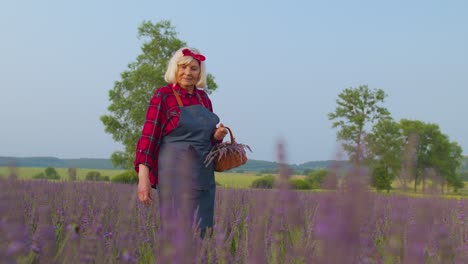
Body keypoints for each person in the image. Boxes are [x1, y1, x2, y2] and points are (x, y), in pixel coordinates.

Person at [134, 47, 227, 238]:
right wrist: (143, 177)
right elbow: (149, 137)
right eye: (183, 67)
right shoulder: (163, 95)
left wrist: (217, 136)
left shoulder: (203, 98)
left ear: (200, 72)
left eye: (193, 68)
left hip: (203, 173)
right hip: (174, 174)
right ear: (174, 69)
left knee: (202, 228)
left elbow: (206, 141)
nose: (188, 73)